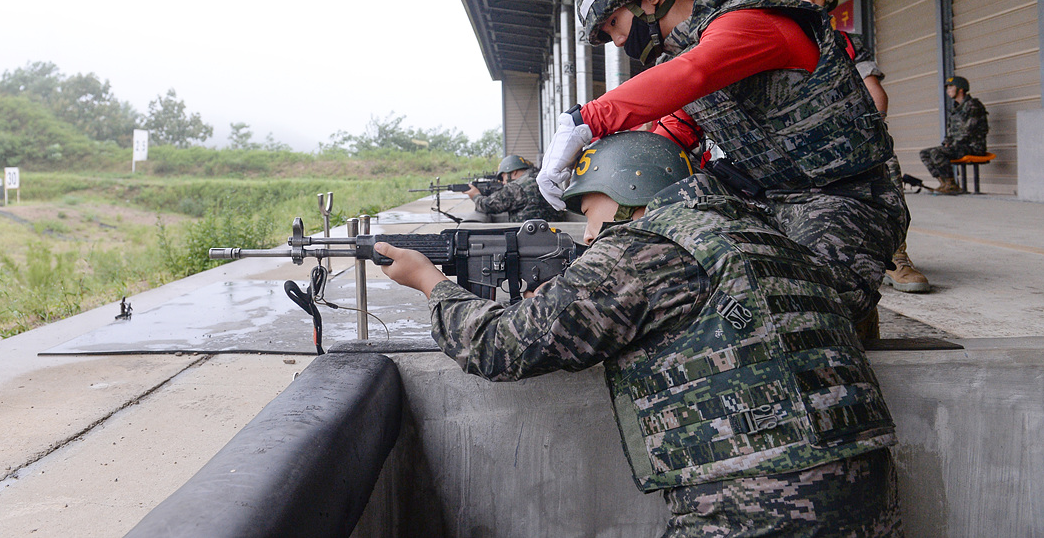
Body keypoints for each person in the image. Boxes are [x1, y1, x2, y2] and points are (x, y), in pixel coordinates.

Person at [377, 131, 903, 537]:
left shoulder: (642, 248)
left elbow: (501, 345)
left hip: (761, 498)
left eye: (589, 210)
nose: (586, 232)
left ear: (629, 191)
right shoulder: (759, 231)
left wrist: (432, 283)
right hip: (867, 484)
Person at [538, 0, 910, 341]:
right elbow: (668, 139)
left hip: (845, 197)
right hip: (769, 201)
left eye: (614, 23)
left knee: (793, 309)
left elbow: (695, 73)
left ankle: (858, 327)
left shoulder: (748, 22)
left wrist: (585, 121)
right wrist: (601, 191)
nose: (616, 41)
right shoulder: (688, 57)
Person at [781, 0, 930, 294]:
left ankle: (896, 256)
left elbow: (875, 91)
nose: (810, 1)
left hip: (848, 137)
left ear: (828, 0)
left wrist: (869, 135)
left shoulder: (847, 44)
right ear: (787, 1)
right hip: (797, 142)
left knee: (884, 167)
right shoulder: (777, 43)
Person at [919, 75, 989, 195]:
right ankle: (944, 183)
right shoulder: (956, 109)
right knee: (925, 153)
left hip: (973, 147)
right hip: (960, 147)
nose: (948, 90)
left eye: (951, 87)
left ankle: (952, 185)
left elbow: (969, 130)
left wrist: (951, 145)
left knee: (937, 152)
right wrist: (947, 143)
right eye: (947, 88)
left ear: (961, 89)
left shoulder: (973, 105)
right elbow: (951, 132)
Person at [465, 154, 566, 222]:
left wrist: (475, 195)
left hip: (530, 237)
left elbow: (486, 205)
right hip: (553, 230)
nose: (503, 182)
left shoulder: (516, 187)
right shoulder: (542, 178)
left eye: (503, 177)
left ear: (514, 172)